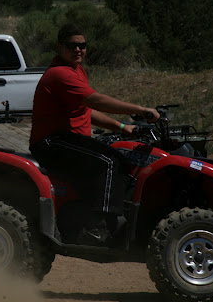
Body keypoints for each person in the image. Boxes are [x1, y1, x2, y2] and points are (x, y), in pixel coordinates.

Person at [29, 23, 160, 245]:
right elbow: (95, 100)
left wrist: (121, 127)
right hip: (52, 141)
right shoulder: (60, 74)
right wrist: (140, 109)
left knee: (117, 156)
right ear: (60, 47)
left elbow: (85, 111)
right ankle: (99, 229)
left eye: (83, 45)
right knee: (110, 161)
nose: (78, 50)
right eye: (72, 46)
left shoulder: (77, 71)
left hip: (67, 140)